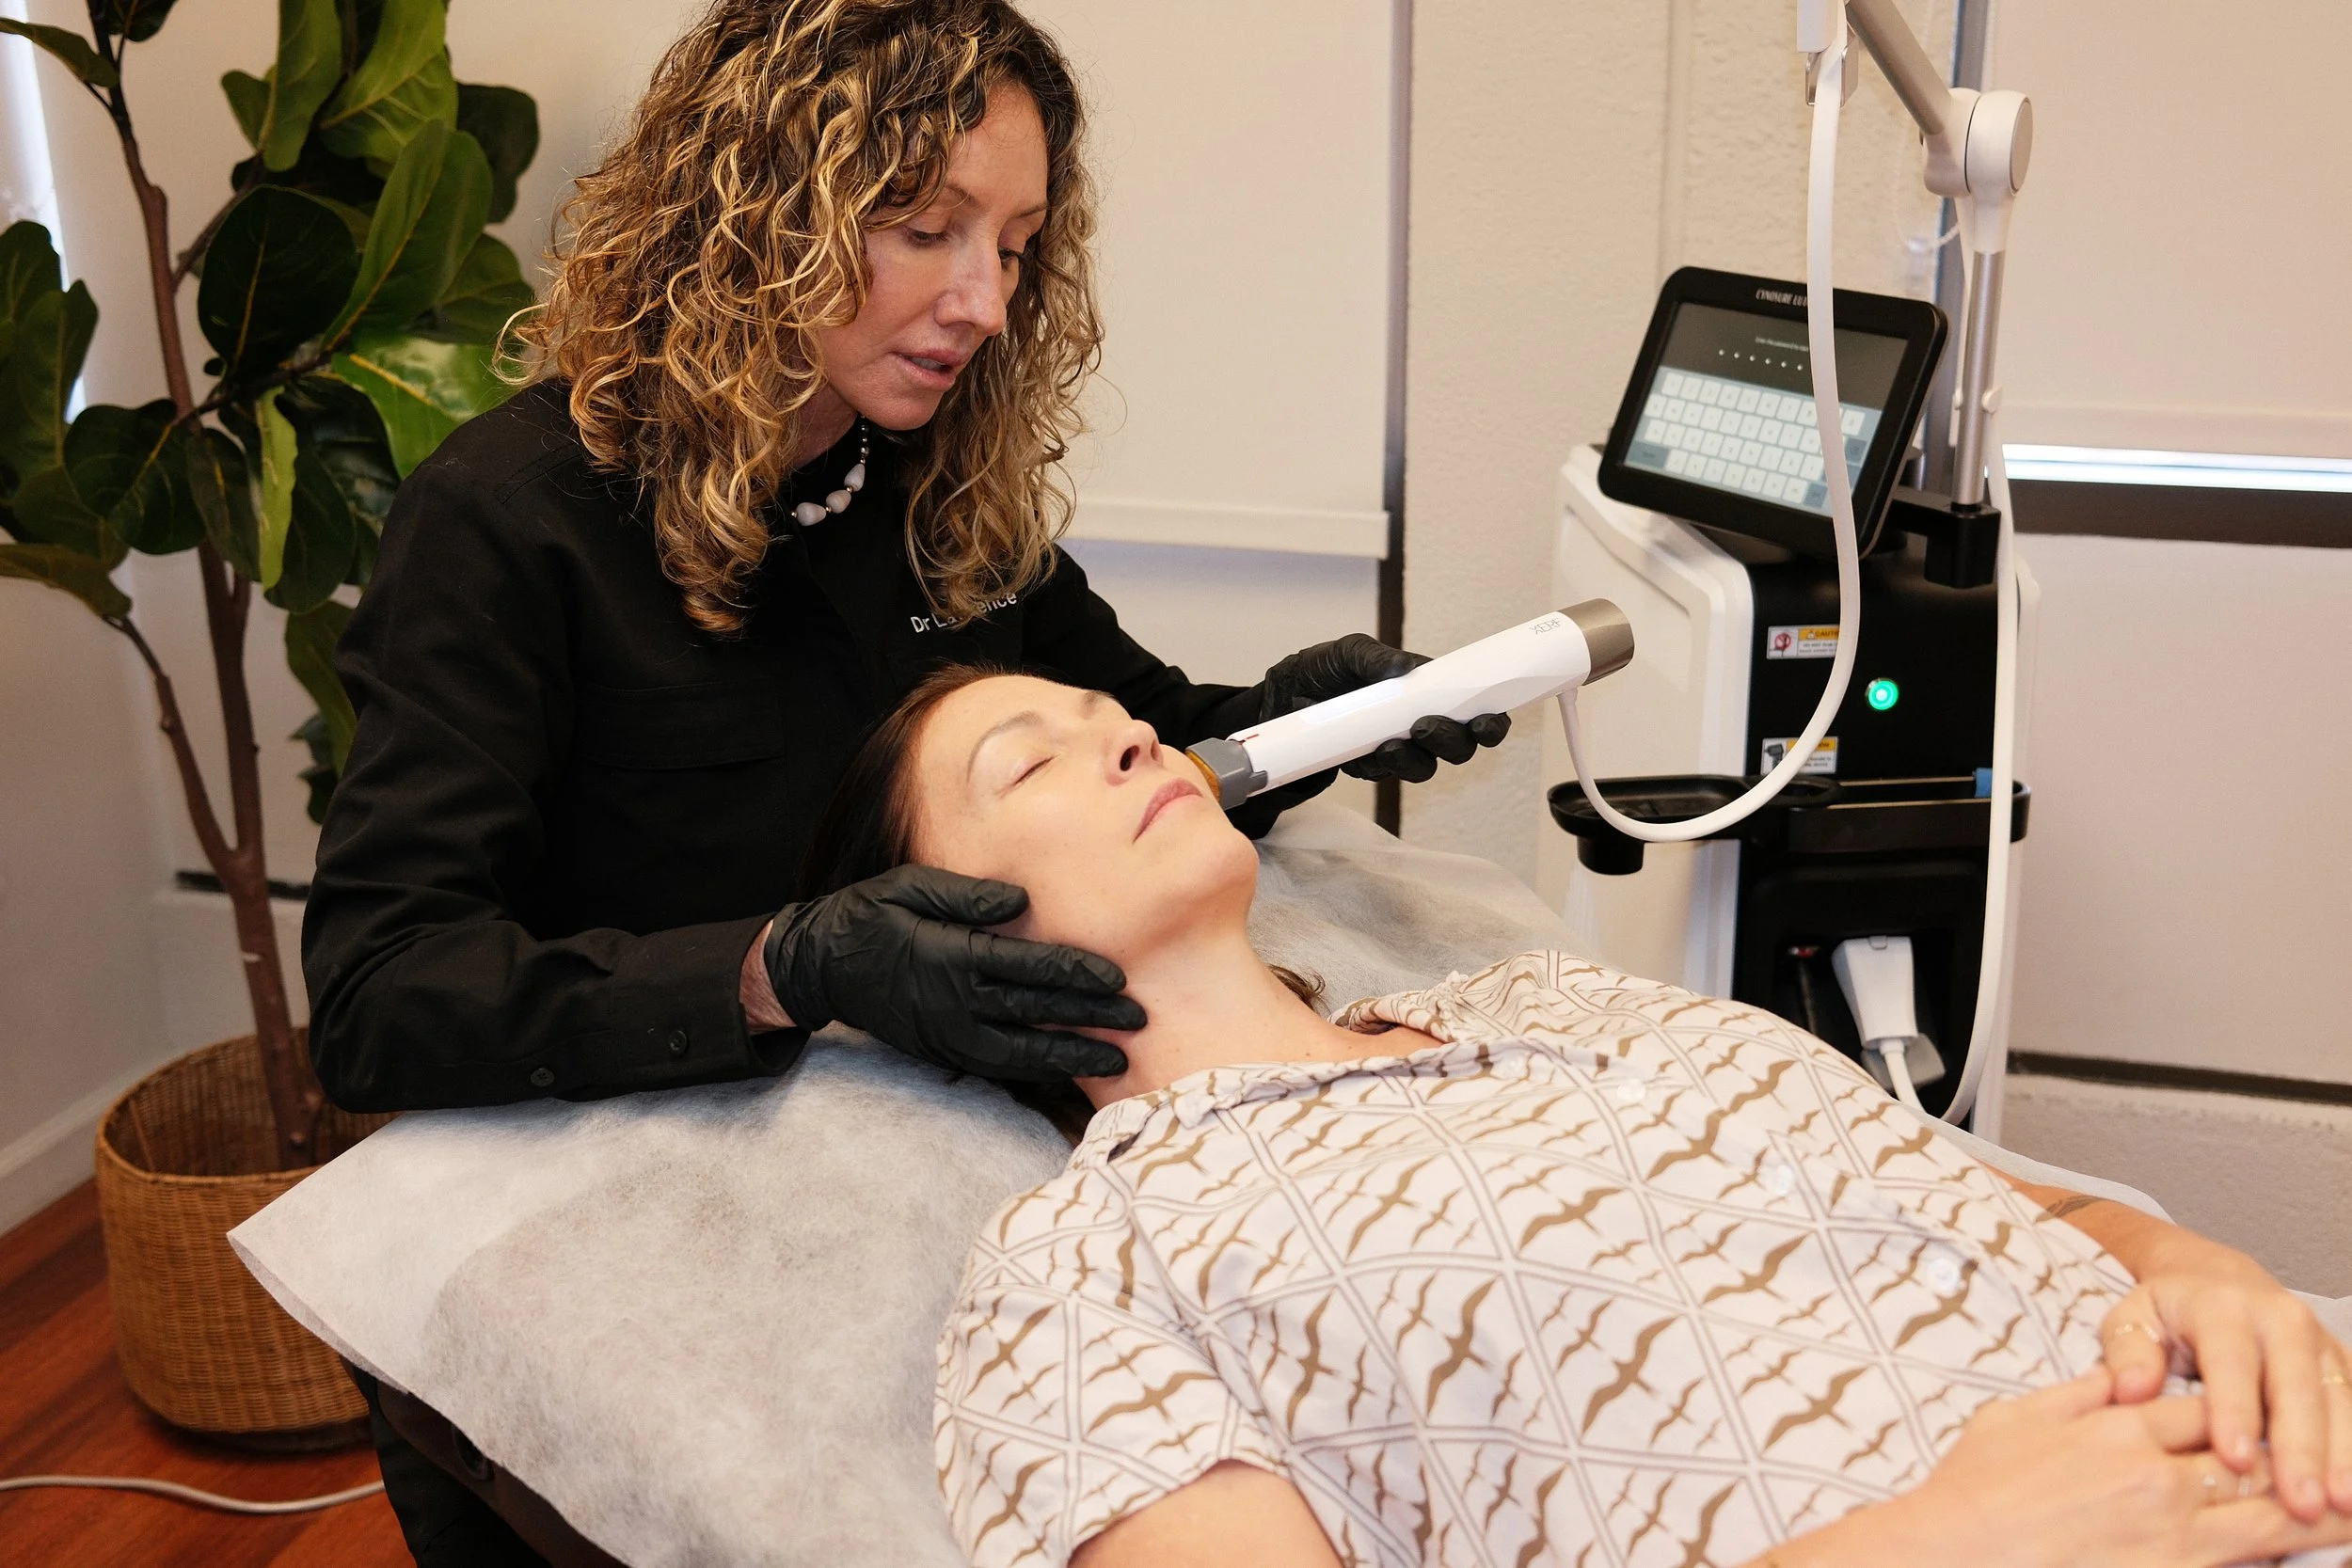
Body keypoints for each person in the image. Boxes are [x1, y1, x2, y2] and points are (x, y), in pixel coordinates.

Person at [301, 2, 1502, 1560]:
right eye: (926, 229)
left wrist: (1299, 723)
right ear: (753, 212)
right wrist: (779, 967)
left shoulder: (927, 479)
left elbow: (1135, 731)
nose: (984, 301)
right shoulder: (509, 526)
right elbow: (383, 989)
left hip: (935, 1175)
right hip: (669, 1219)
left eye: (1013, 241)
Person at [787, 663, 2352, 1568]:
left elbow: (1968, 1195)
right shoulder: (1085, 1270)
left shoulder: (1556, 999)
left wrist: (2181, 1253)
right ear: (953, 923)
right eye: (1031, 761)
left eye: (1101, 706)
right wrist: (1948, 1545)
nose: (1125, 729)